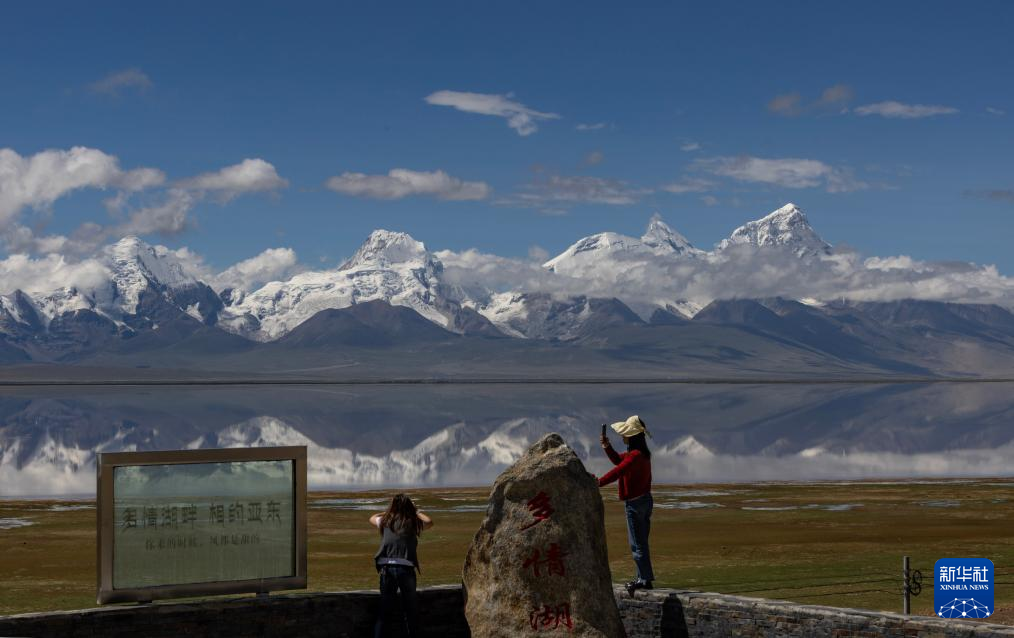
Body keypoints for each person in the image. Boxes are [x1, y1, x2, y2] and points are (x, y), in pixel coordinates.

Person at [597, 415, 654, 596]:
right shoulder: (640, 455)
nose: (623, 437)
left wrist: (597, 483)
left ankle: (644, 580)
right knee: (641, 542)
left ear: (631, 435)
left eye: (625, 434)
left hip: (635, 504)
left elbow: (618, 470)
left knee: (637, 544)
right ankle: (642, 578)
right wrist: (607, 446)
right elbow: (617, 461)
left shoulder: (634, 457)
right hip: (645, 501)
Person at [369, 494, 433, 638]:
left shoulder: (385, 521)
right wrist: (416, 511)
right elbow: (429, 522)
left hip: (387, 569)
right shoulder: (413, 521)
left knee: (384, 613)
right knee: (410, 612)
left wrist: (387, 512)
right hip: (406, 569)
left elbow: (371, 518)